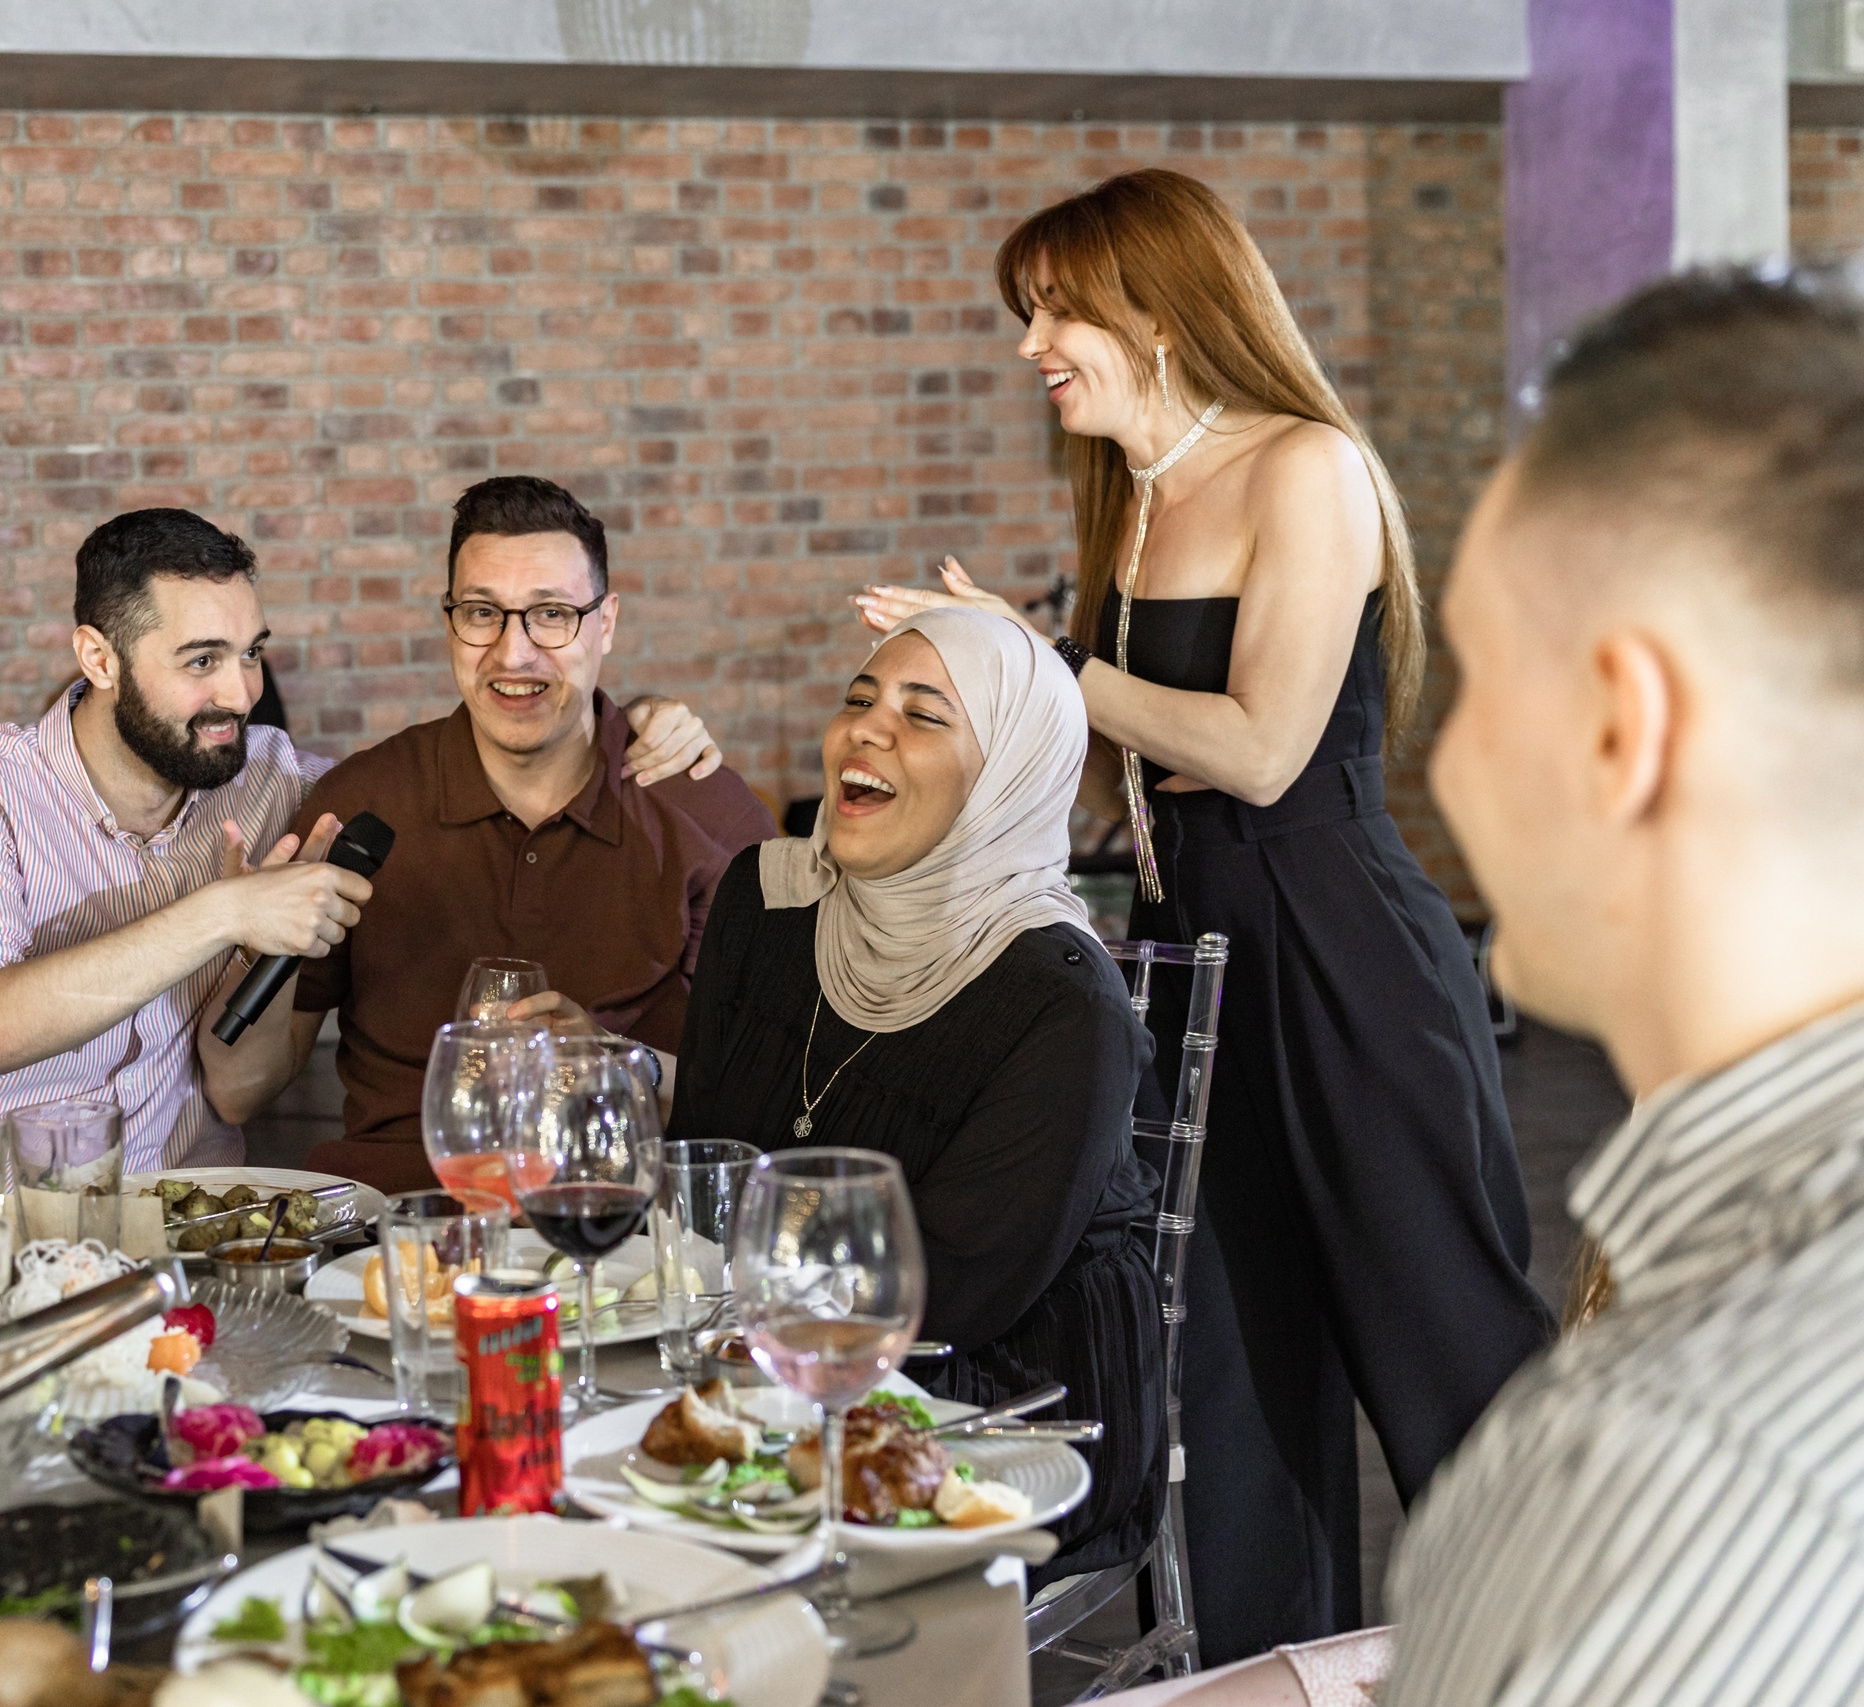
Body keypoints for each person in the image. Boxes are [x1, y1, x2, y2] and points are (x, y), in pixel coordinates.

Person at [1117, 268, 1864, 1707]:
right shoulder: (1705, 1276)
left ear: (1626, 726)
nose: (1442, 763)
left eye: (1479, 678)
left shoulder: (1694, 1447)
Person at [857, 168, 1554, 1660]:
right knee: (1231, 1381)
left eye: (1057, 310)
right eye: (1026, 313)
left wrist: (1045, 658)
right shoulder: (1139, 494)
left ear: (1159, 312)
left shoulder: (1309, 466)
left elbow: (1257, 747)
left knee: (1447, 1352)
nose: (1032, 343)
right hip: (1198, 969)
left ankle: (1590, 1660)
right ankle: (1257, 1673)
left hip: (1347, 956)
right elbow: (1136, 776)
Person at [0, 506, 722, 1170]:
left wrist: (633, 722)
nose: (242, 694)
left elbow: (483, 752)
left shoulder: (277, 782)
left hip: (188, 1238)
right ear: (98, 659)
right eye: (201, 660)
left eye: (252, 654)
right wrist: (223, 913)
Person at [667, 606, 1165, 1585]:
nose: (866, 728)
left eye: (923, 715)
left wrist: (742, 1341)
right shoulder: (762, 903)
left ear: (1009, 776)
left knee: (674, 1510)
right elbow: (702, 1183)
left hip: (1009, 1400)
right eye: (859, 698)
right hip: (778, 1357)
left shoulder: (1065, 1006)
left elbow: (954, 1294)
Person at [201, 476, 777, 1193]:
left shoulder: (707, 813)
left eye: (551, 615)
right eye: (483, 613)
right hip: (394, 1231)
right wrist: (258, 935)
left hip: (616, 1234)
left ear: (607, 623)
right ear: (450, 622)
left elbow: (779, 1090)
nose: (514, 653)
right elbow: (237, 1090)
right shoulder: (360, 803)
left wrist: (618, 1064)